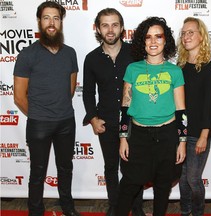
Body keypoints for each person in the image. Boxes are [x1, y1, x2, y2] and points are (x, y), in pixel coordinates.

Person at [13, 2, 81, 216]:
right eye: (46, 18)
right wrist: (38, 114)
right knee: (38, 172)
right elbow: (18, 97)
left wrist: (57, 109)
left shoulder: (70, 53)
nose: (51, 23)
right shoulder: (27, 54)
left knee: (65, 168)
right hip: (38, 124)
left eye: (56, 18)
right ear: (39, 21)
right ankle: (35, 211)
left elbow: (70, 89)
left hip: (66, 122)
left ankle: (68, 208)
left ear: (61, 22)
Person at [116, 16, 187, 216]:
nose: (153, 42)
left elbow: (181, 110)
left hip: (167, 135)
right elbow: (125, 107)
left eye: (158, 37)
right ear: (142, 41)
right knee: (129, 184)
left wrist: (182, 141)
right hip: (138, 136)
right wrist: (123, 138)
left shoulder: (175, 72)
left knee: (163, 187)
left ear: (166, 40)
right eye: (148, 37)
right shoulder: (133, 69)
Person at [82, 8, 144, 216]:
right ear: (98, 29)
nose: (110, 29)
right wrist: (93, 118)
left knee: (133, 168)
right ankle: (115, 206)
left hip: (134, 121)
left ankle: (136, 208)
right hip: (106, 122)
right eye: (105, 25)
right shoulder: (91, 59)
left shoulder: (136, 54)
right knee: (111, 168)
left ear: (122, 27)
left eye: (115, 24)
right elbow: (88, 92)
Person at [177, 17, 211, 216]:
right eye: (184, 33)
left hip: (198, 134)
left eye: (191, 32)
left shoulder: (209, 70)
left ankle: (198, 213)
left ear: (201, 36)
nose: (186, 36)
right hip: (180, 133)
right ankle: (185, 212)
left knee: (194, 179)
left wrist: (204, 135)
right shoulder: (180, 67)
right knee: (183, 177)